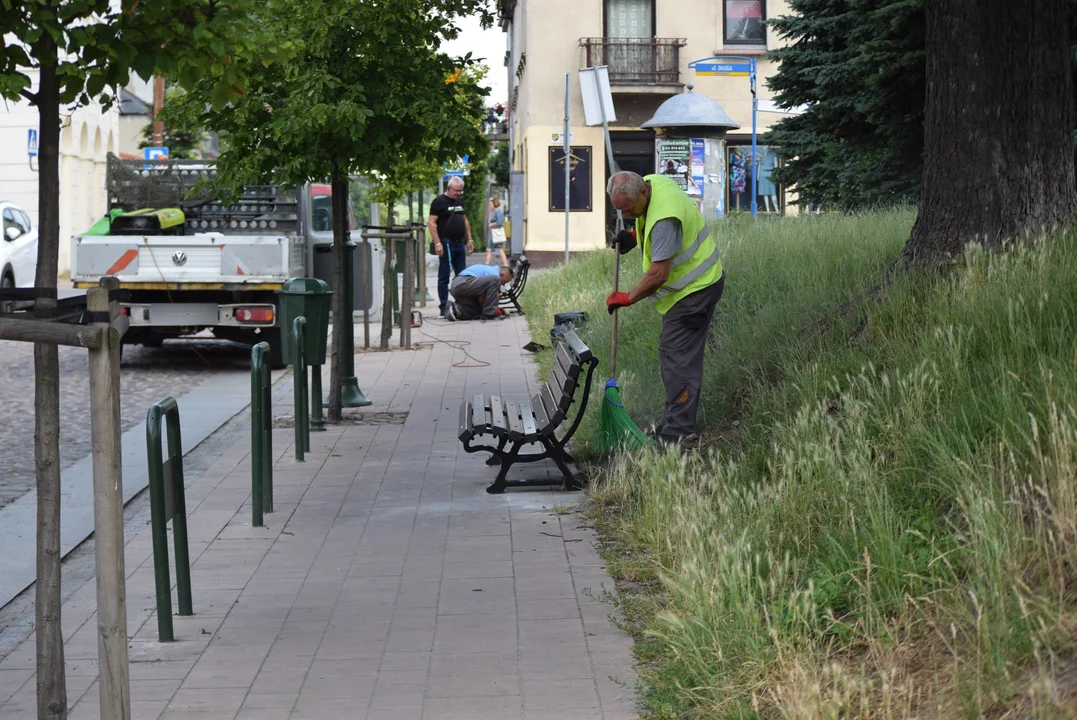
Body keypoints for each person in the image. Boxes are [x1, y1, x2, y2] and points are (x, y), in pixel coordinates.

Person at [605, 171, 726, 447]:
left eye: (628, 209)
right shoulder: (652, 183)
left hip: (695, 291)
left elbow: (658, 275)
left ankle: (678, 431)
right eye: (619, 210)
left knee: (677, 357)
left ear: (643, 193)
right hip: (696, 287)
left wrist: (626, 297)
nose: (626, 213)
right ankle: (675, 422)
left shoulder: (663, 218)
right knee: (679, 356)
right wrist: (634, 236)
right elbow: (652, 224)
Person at [428, 177, 474, 317]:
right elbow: (431, 223)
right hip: (446, 244)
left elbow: (464, 220)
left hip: (459, 244)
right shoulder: (439, 202)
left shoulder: (459, 201)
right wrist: (437, 243)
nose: (459, 194)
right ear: (449, 188)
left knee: (462, 276)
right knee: (444, 277)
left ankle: (462, 304)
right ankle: (443, 306)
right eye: (456, 191)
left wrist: (470, 239)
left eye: (461, 191)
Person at [445, 264, 513, 322]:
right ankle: (490, 314)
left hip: (459, 287)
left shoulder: (491, 273)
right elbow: (483, 298)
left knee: (479, 310)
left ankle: (455, 310)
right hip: (462, 283)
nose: (504, 284)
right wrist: (492, 310)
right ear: (502, 275)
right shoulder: (495, 274)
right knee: (496, 280)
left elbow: (482, 298)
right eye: (505, 282)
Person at [485, 198, 509, 267]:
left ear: (494, 204)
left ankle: (505, 265)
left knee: (499, 249)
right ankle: (487, 264)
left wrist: (491, 224)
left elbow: (500, 222)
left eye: (491, 204)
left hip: (496, 234)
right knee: (489, 249)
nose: (490, 206)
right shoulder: (496, 211)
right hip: (494, 233)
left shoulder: (498, 212)